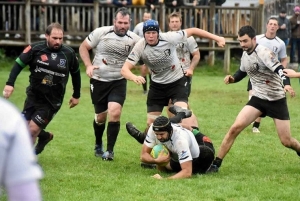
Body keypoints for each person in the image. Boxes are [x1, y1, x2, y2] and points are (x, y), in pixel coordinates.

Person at [209, 25, 300, 173]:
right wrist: (232, 79)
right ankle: (215, 164)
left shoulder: (264, 52)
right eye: (240, 41)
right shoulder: (245, 55)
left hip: (277, 99)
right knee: (234, 128)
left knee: (286, 141)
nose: (242, 45)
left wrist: (287, 85)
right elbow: (242, 72)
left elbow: (280, 70)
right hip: (258, 98)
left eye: (245, 41)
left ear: (253, 39)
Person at [121, 19, 225, 141]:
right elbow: (124, 69)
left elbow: (193, 30)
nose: (151, 36)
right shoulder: (140, 46)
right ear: (143, 34)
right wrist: (134, 77)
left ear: (158, 33)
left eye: (153, 33)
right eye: (147, 33)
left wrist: (217, 38)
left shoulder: (170, 37)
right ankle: (143, 138)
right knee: (151, 124)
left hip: (177, 83)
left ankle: (197, 140)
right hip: (157, 87)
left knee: (182, 113)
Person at [3, 22, 81, 155]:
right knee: (22, 129)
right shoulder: (35, 49)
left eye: (60, 38)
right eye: (54, 38)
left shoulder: (68, 53)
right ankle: (44, 137)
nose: (58, 41)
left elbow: (76, 74)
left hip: (52, 101)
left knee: (31, 130)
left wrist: (76, 95)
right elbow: (18, 64)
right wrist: (10, 83)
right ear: (46, 36)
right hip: (33, 96)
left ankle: (24, 161)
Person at [79, 7, 140, 161]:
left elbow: (146, 52)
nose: (122, 26)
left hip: (118, 81)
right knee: (100, 117)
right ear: (114, 21)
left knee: (115, 111)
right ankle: (98, 142)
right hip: (99, 80)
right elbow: (83, 47)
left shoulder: (134, 39)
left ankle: (110, 151)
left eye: (125, 23)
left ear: (130, 23)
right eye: (120, 22)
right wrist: (88, 65)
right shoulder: (101, 32)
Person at [247, 17, 287, 133]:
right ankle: (251, 116)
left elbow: (284, 59)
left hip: (270, 76)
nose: (273, 26)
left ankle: (255, 125)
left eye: (275, 24)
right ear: (267, 25)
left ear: (278, 27)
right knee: (253, 94)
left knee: (263, 98)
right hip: (256, 72)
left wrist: (281, 70)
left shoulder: (280, 43)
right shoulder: (258, 39)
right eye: (271, 24)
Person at [141, 116, 215, 179]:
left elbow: (187, 172)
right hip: (177, 152)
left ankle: (186, 118)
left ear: (170, 131)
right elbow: (143, 156)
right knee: (158, 149)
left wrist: (164, 180)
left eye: (162, 134)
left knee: (207, 150)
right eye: (156, 134)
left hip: (196, 157)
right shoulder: (152, 128)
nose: (159, 137)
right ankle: (180, 115)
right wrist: (156, 161)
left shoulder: (180, 141)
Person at [0, 97, 43, 201]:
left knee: (32, 130)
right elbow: (25, 196)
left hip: (50, 100)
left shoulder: (8, 117)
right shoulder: (6, 115)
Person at [167, 11, 200, 130]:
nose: (175, 24)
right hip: (170, 75)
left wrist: (191, 69)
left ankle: (190, 127)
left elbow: (196, 55)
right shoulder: (166, 37)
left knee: (177, 102)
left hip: (184, 73)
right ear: (169, 24)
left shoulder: (188, 38)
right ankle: (178, 125)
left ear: (181, 23)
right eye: (172, 22)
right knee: (172, 102)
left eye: (177, 21)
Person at [133, 11, 152, 94]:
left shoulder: (154, 25)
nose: (147, 18)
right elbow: (133, 36)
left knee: (152, 70)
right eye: (145, 17)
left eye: (148, 17)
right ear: (143, 17)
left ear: (150, 17)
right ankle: (145, 90)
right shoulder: (138, 26)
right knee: (143, 70)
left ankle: (152, 89)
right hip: (141, 51)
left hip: (152, 51)